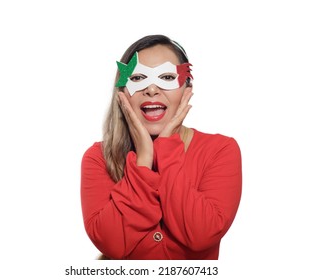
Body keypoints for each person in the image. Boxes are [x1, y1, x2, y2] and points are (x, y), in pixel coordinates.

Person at [80, 34, 242, 260]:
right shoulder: (98, 157)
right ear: (122, 92)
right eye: (139, 78)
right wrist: (144, 158)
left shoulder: (220, 150)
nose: (152, 90)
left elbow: (202, 235)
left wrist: (166, 148)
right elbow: (112, 244)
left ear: (187, 88)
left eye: (166, 77)